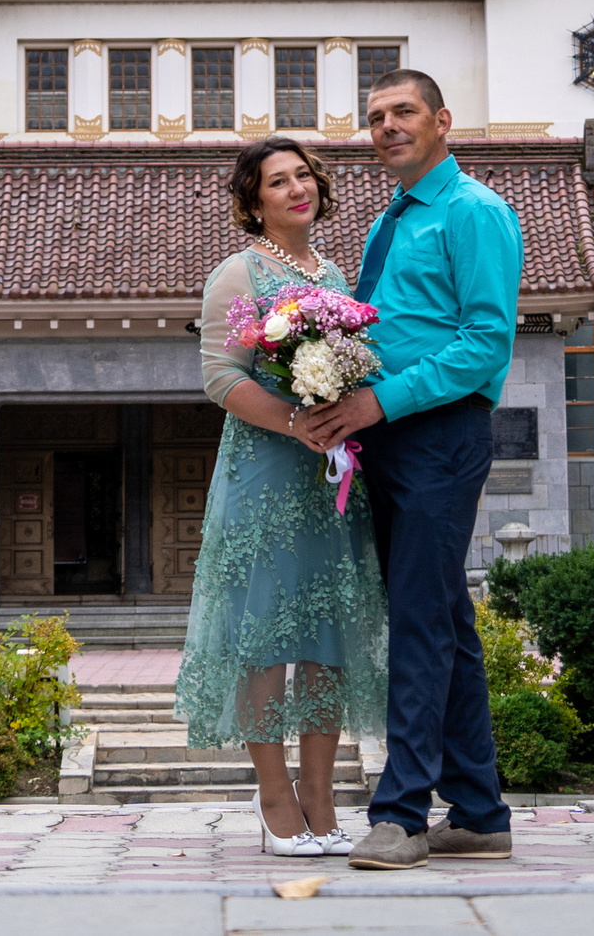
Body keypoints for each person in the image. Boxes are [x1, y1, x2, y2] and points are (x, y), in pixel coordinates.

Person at [302, 67, 523, 871]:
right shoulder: (389, 221)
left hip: (438, 434)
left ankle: (400, 813)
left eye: (403, 112)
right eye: (375, 116)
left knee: (420, 621)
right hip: (385, 437)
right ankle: (481, 810)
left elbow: (483, 345)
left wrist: (380, 402)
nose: (387, 125)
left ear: (442, 121)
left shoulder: (475, 212)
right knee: (446, 621)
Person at [175, 135, 392, 858]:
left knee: (328, 637)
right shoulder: (236, 273)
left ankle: (323, 797)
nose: (297, 187)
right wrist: (297, 421)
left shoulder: (334, 273)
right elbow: (220, 377)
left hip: (328, 477)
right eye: (278, 180)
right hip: (264, 472)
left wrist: (340, 402)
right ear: (254, 198)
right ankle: (274, 799)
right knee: (265, 638)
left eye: (305, 175)